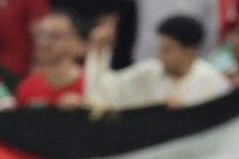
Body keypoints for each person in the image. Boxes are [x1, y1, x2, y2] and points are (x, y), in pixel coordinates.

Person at [86, 15, 229, 110]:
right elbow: (104, 91)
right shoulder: (149, 73)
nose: (160, 55)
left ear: (189, 51)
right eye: (160, 48)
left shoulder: (213, 81)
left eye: (168, 49)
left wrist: (186, 111)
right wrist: (99, 53)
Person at [16, 9, 86, 109]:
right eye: (40, 35)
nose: (44, 43)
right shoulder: (27, 88)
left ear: (75, 41)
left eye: (54, 36)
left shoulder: (91, 84)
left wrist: (85, 107)